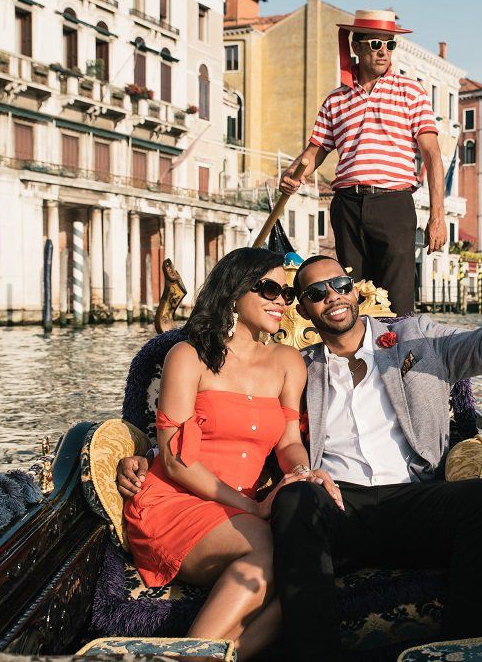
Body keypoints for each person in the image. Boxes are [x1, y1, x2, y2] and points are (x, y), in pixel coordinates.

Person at [120, 253, 482, 660]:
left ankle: (463, 650)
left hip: (410, 497)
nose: (332, 297)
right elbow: (219, 437)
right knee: (297, 503)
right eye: (314, 293)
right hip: (337, 505)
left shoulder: (417, 339)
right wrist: (302, 475)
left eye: (339, 285)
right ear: (306, 309)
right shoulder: (302, 363)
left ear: (356, 290)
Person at [121, 247, 342, 660]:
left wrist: (302, 473)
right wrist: (251, 507)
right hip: (176, 501)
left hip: (239, 509)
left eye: (287, 293)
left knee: (308, 566)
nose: (281, 301)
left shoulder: (288, 362)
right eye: (270, 288)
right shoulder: (189, 357)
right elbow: (174, 459)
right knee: (269, 544)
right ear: (234, 292)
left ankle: (210, 656)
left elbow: (290, 442)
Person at [278, 9, 446, 316]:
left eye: (390, 45)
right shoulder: (335, 99)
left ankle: (398, 358)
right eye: (375, 44)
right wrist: (292, 174)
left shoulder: (411, 91)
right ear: (356, 47)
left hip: (393, 204)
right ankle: (356, 360)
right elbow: (314, 151)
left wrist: (437, 216)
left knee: (397, 299)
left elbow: (433, 155)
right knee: (350, 292)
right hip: (347, 206)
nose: (383, 51)